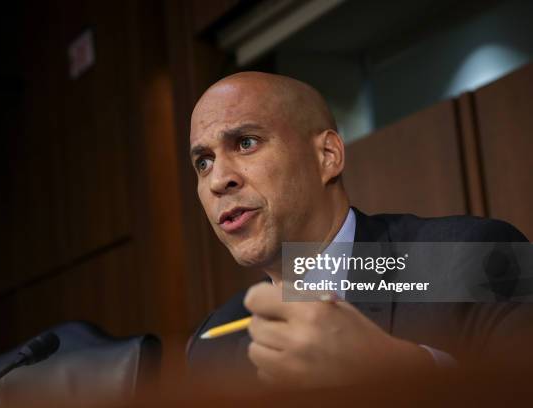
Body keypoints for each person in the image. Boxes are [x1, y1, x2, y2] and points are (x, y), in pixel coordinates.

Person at [186, 71, 531, 387]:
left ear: (327, 155)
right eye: (204, 162)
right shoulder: (212, 342)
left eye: (246, 142)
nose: (218, 180)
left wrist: (398, 371)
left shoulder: (477, 256)